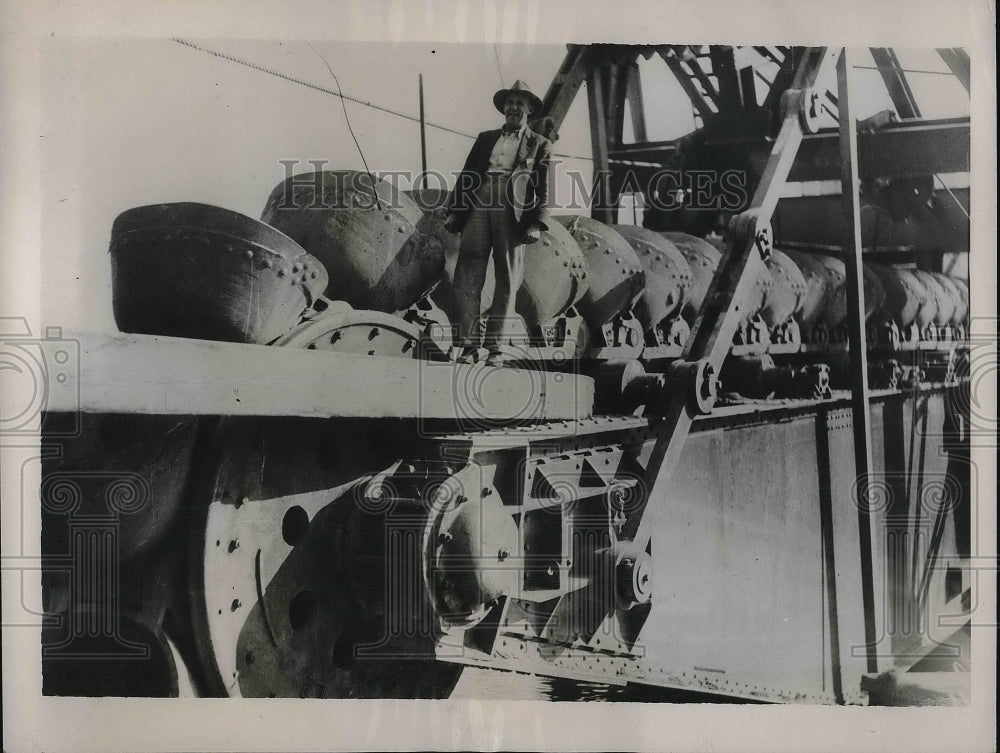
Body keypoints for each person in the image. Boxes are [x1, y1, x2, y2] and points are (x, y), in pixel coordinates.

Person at [443, 80, 553, 367]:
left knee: (507, 277)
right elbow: (468, 175)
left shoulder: (539, 144)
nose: (514, 108)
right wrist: (456, 211)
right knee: (467, 271)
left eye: (520, 103)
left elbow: (542, 188)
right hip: (480, 199)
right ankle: (467, 346)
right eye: (510, 103)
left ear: (530, 109)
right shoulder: (485, 138)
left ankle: (496, 350)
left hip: (513, 208)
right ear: (504, 108)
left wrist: (535, 224)